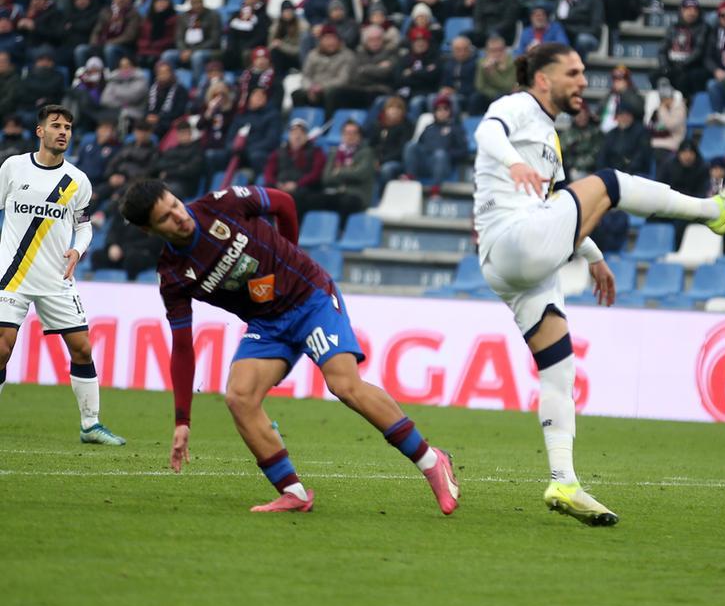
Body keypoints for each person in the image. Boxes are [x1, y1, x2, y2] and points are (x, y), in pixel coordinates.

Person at [471, 42, 725, 525]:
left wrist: (595, 258)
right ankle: (713, 211)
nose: (584, 81)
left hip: (518, 260)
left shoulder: (548, 134)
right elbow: (487, 132)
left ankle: (563, 481)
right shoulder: (516, 106)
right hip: (514, 239)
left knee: (559, 370)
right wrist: (514, 163)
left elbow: (561, 203)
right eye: (574, 72)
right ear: (543, 78)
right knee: (610, 181)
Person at [119, 178, 459, 514]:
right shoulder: (173, 275)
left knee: (343, 383)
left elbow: (283, 203)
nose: (179, 216)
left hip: (310, 296)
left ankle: (432, 462)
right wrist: (183, 420)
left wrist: (289, 250)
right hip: (268, 325)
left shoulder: (221, 204)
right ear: (149, 231)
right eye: (165, 218)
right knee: (240, 397)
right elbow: (181, 347)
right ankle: (293, 492)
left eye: (175, 204)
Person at [0, 105, 124, 445]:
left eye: (67, 127)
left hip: (56, 277)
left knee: (82, 348)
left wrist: (78, 250)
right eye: (56, 125)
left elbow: (83, 228)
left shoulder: (77, 180)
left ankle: (90, 425)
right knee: (2, 348)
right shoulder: (13, 167)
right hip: (12, 275)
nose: (63, 131)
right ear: (40, 131)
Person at [403, 95, 469, 190]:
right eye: (438, 109)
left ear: (450, 111)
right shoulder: (429, 128)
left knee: (440, 154)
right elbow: (419, 145)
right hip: (426, 163)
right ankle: (410, 178)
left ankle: (436, 188)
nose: (442, 112)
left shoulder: (456, 128)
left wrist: (447, 153)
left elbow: (463, 151)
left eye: (445, 109)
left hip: (444, 164)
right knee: (411, 146)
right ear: (434, 112)